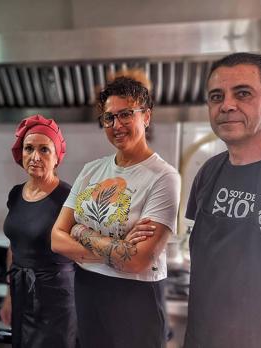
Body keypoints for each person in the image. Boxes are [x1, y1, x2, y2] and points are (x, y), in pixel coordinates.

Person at [52, 72, 181, 348]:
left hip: (135, 299)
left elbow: (138, 261)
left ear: (146, 116)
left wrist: (80, 231)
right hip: (88, 292)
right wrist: (117, 248)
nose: (116, 124)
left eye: (126, 115)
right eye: (109, 118)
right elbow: (57, 237)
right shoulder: (92, 170)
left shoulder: (163, 176)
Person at [184, 53, 261, 348]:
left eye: (243, 93)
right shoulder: (208, 171)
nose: (227, 105)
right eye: (217, 96)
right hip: (202, 338)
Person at [0, 114, 77, 347]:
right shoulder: (15, 194)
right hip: (21, 293)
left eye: (44, 150)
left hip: (56, 302)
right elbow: (15, 246)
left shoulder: (69, 198)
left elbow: (84, 250)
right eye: (29, 148)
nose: (35, 157)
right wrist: (9, 294)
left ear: (56, 157)